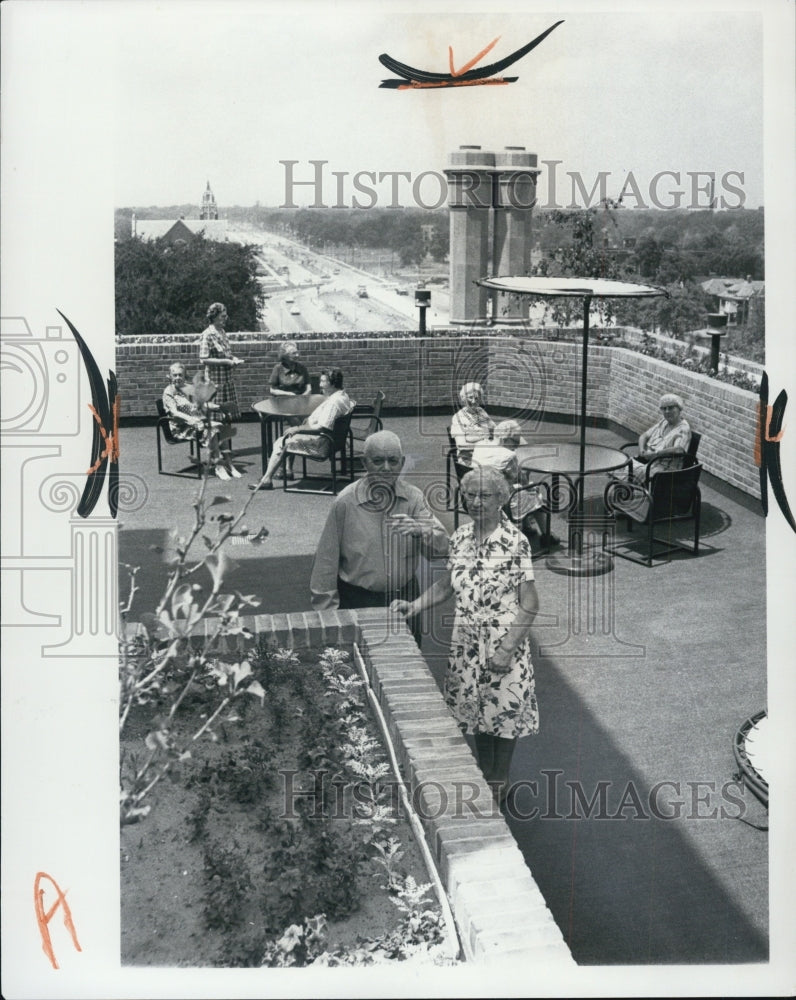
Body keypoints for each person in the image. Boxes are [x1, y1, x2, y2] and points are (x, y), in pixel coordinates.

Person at [392, 465, 540, 805]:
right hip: (467, 645)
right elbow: (449, 583)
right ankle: (486, 779)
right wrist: (414, 606)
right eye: (470, 495)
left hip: (503, 645)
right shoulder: (460, 536)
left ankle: (498, 782)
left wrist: (506, 649)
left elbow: (530, 602)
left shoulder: (514, 542)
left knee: (502, 717)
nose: (476, 502)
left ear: (501, 499)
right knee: (477, 715)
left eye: (484, 496)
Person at [310, 430, 449, 633]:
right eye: (378, 461)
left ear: (401, 463)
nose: (386, 468)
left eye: (393, 461)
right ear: (364, 463)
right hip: (358, 600)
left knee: (409, 661)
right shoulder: (345, 502)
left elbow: (442, 549)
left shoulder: (414, 498)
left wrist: (421, 530)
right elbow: (325, 562)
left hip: (405, 600)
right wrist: (328, 617)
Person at [252, 367, 353, 490]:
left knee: (280, 443)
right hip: (333, 441)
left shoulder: (333, 403)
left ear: (332, 384)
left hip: (321, 445)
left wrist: (299, 429)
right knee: (289, 437)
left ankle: (266, 480)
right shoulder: (343, 396)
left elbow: (322, 427)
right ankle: (287, 470)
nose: (320, 385)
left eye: (323, 382)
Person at [472, 419, 560, 549]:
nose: (517, 445)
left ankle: (526, 527)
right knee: (534, 490)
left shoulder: (480, 446)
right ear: (504, 439)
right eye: (515, 441)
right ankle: (547, 535)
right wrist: (527, 475)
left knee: (521, 489)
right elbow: (521, 480)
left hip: (478, 495)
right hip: (504, 502)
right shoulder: (508, 455)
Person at [161, 362, 232, 479]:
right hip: (181, 427)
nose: (178, 378)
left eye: (180, 375)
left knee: (220, 426)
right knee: (212, 430)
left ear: (185, 376)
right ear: (170, 376)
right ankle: (219, 466)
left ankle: (228, 463)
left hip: (196, 423)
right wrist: (192, 420)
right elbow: (174, 412)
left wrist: (219, 407)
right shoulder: (168, 392)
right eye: (175, 375)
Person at [268, 340, 312, 480]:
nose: (297, 355)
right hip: (283, 404)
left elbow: (309, 387)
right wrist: (288, 394)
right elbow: (272, 389)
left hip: (300, 404)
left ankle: (286, 468)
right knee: (295, 425)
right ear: (285, 355)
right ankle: (287, 467)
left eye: (297, 352)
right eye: (294, 353)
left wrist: (303, 397)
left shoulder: (302, 368)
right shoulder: (278, 368)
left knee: (292, 431)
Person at [631, 393, 692, 482]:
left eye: (671, 407)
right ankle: (624, 491)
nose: (667, 411)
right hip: (650, 462)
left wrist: (655, 454)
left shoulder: (683, 429)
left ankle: (624, 490)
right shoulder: (664, 422)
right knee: (623, 463)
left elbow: (678, 450)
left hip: (665, 469)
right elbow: (644, 436)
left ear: (679, 409)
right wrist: (642, 451)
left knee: (627, 469)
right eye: (664, 408)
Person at [450, 382, 495, 466]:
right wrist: (485, 445)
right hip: (469, 458)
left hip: (487, 454)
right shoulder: (458, 417)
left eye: (477, 398)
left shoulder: (481, 412)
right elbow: (461, 445)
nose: (474, 401)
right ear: (463, 398)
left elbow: (496, 430)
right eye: (470, 398)